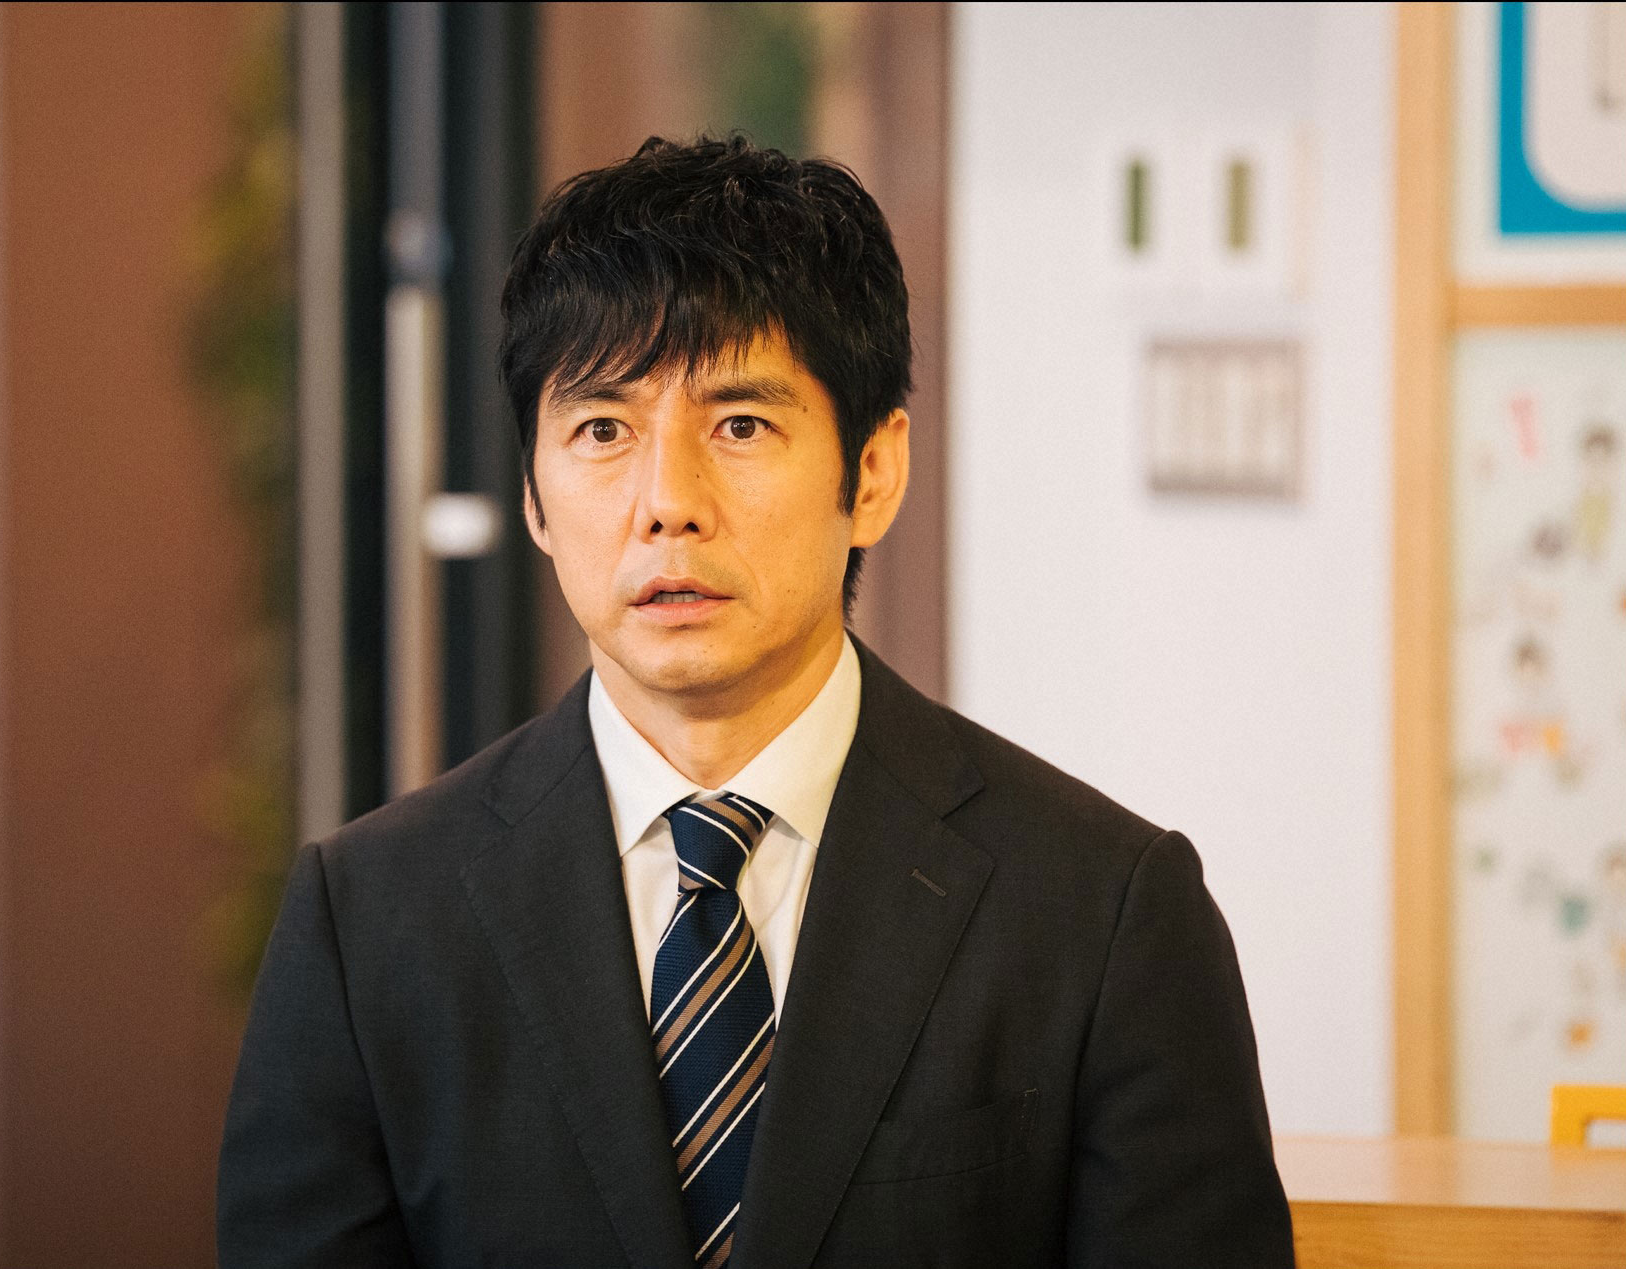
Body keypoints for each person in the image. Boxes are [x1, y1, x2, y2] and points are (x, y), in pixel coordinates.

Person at [217, 135, 1295, 1268]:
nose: (668, 503)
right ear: (532, 495)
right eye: (601, 430)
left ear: (871, 472)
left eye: (739, 425)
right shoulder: (368, 924)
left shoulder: (1104, 912)